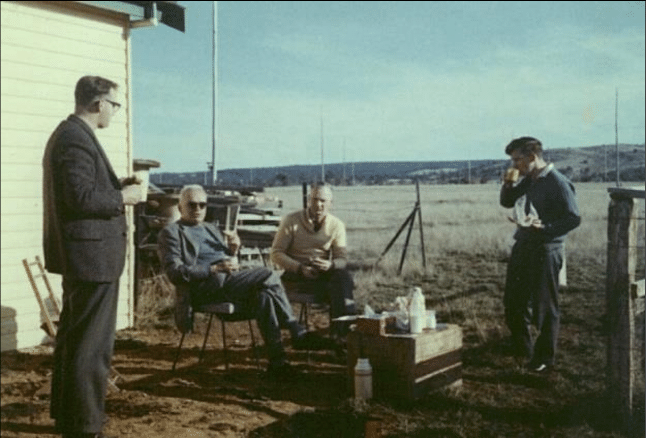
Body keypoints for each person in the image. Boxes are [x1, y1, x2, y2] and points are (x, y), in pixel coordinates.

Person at [43, 76, 144, 438]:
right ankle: (85, 427)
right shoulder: (75, 139)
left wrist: (118, 186)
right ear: (99, 104)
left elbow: (82, 191)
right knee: (91, 348)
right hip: (92, 259)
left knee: (73, 340)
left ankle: (69, 417)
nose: (115, 113)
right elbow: (80, 198)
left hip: (86, 256)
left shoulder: (70, 136)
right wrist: (123, 199)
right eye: (114, 106)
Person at [158, 185, 327, 378]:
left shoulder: (210, 228)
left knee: (264, 296)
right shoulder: (171, 233)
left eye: (202, 205)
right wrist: (213, 269)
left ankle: (278, 363)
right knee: (268, 274)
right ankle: (296, 330)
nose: (198, 209)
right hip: (204, 288)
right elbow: (175, 273)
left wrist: (233, 250)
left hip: (228, 283)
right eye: (192, 204)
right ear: (180, 207)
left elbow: (225, 259)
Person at [500, 136, 581, 372]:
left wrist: (544, 228)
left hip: (546, 249)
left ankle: (545, 358)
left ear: (533, 157)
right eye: (512, 161)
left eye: (517, 160)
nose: (515, 165)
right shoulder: (531, 179)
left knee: (544, 306)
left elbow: (573, 218)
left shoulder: (556, 181)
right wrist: (508, 182)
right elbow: (507, 202)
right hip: (525, 244)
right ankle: (522, 347)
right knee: (513, 301)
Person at [270, 183, 356, 342]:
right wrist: (299, 268)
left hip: (321, 275)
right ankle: (329, 336)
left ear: (331, 203)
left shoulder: (337, 225)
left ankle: (342, 336)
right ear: (308, 200)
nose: (318, 204)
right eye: (315, 199)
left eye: (323, 200)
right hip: (295, 275)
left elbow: (342, 259)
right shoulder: (291, 221)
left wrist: (331, 265)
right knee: (340, 284)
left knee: (343, 278)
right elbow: (276, 254)